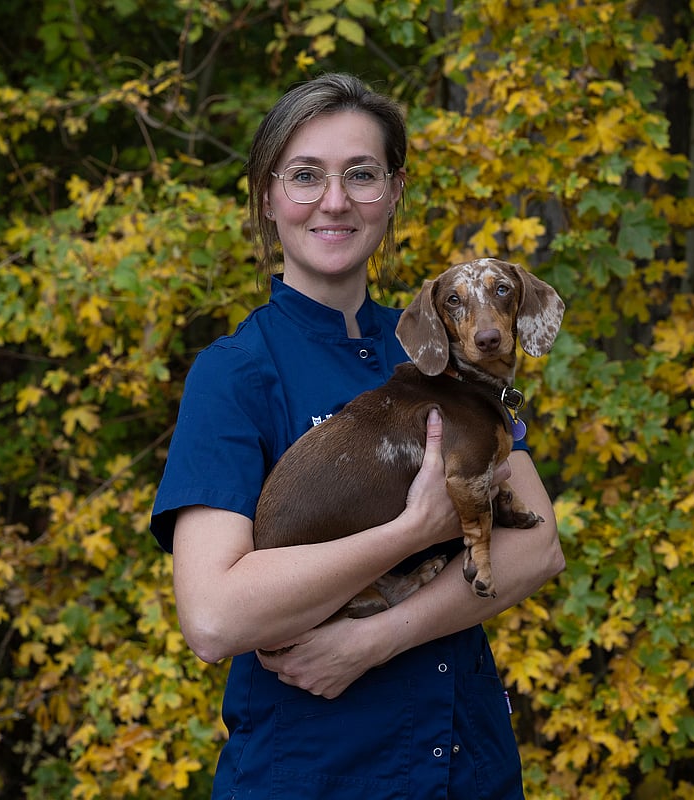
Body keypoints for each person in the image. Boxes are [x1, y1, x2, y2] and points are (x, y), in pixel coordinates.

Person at [151, 72, 565, 800]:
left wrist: (377, 637)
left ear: (394, 190)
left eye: (361, 174)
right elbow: (214, 618)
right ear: (269, 192)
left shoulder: (444, 348)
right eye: (306, 175)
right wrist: (413, 530)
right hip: (318, 774)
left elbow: (536, 547)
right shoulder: (236, 374)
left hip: (470, 769)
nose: (334, 201)